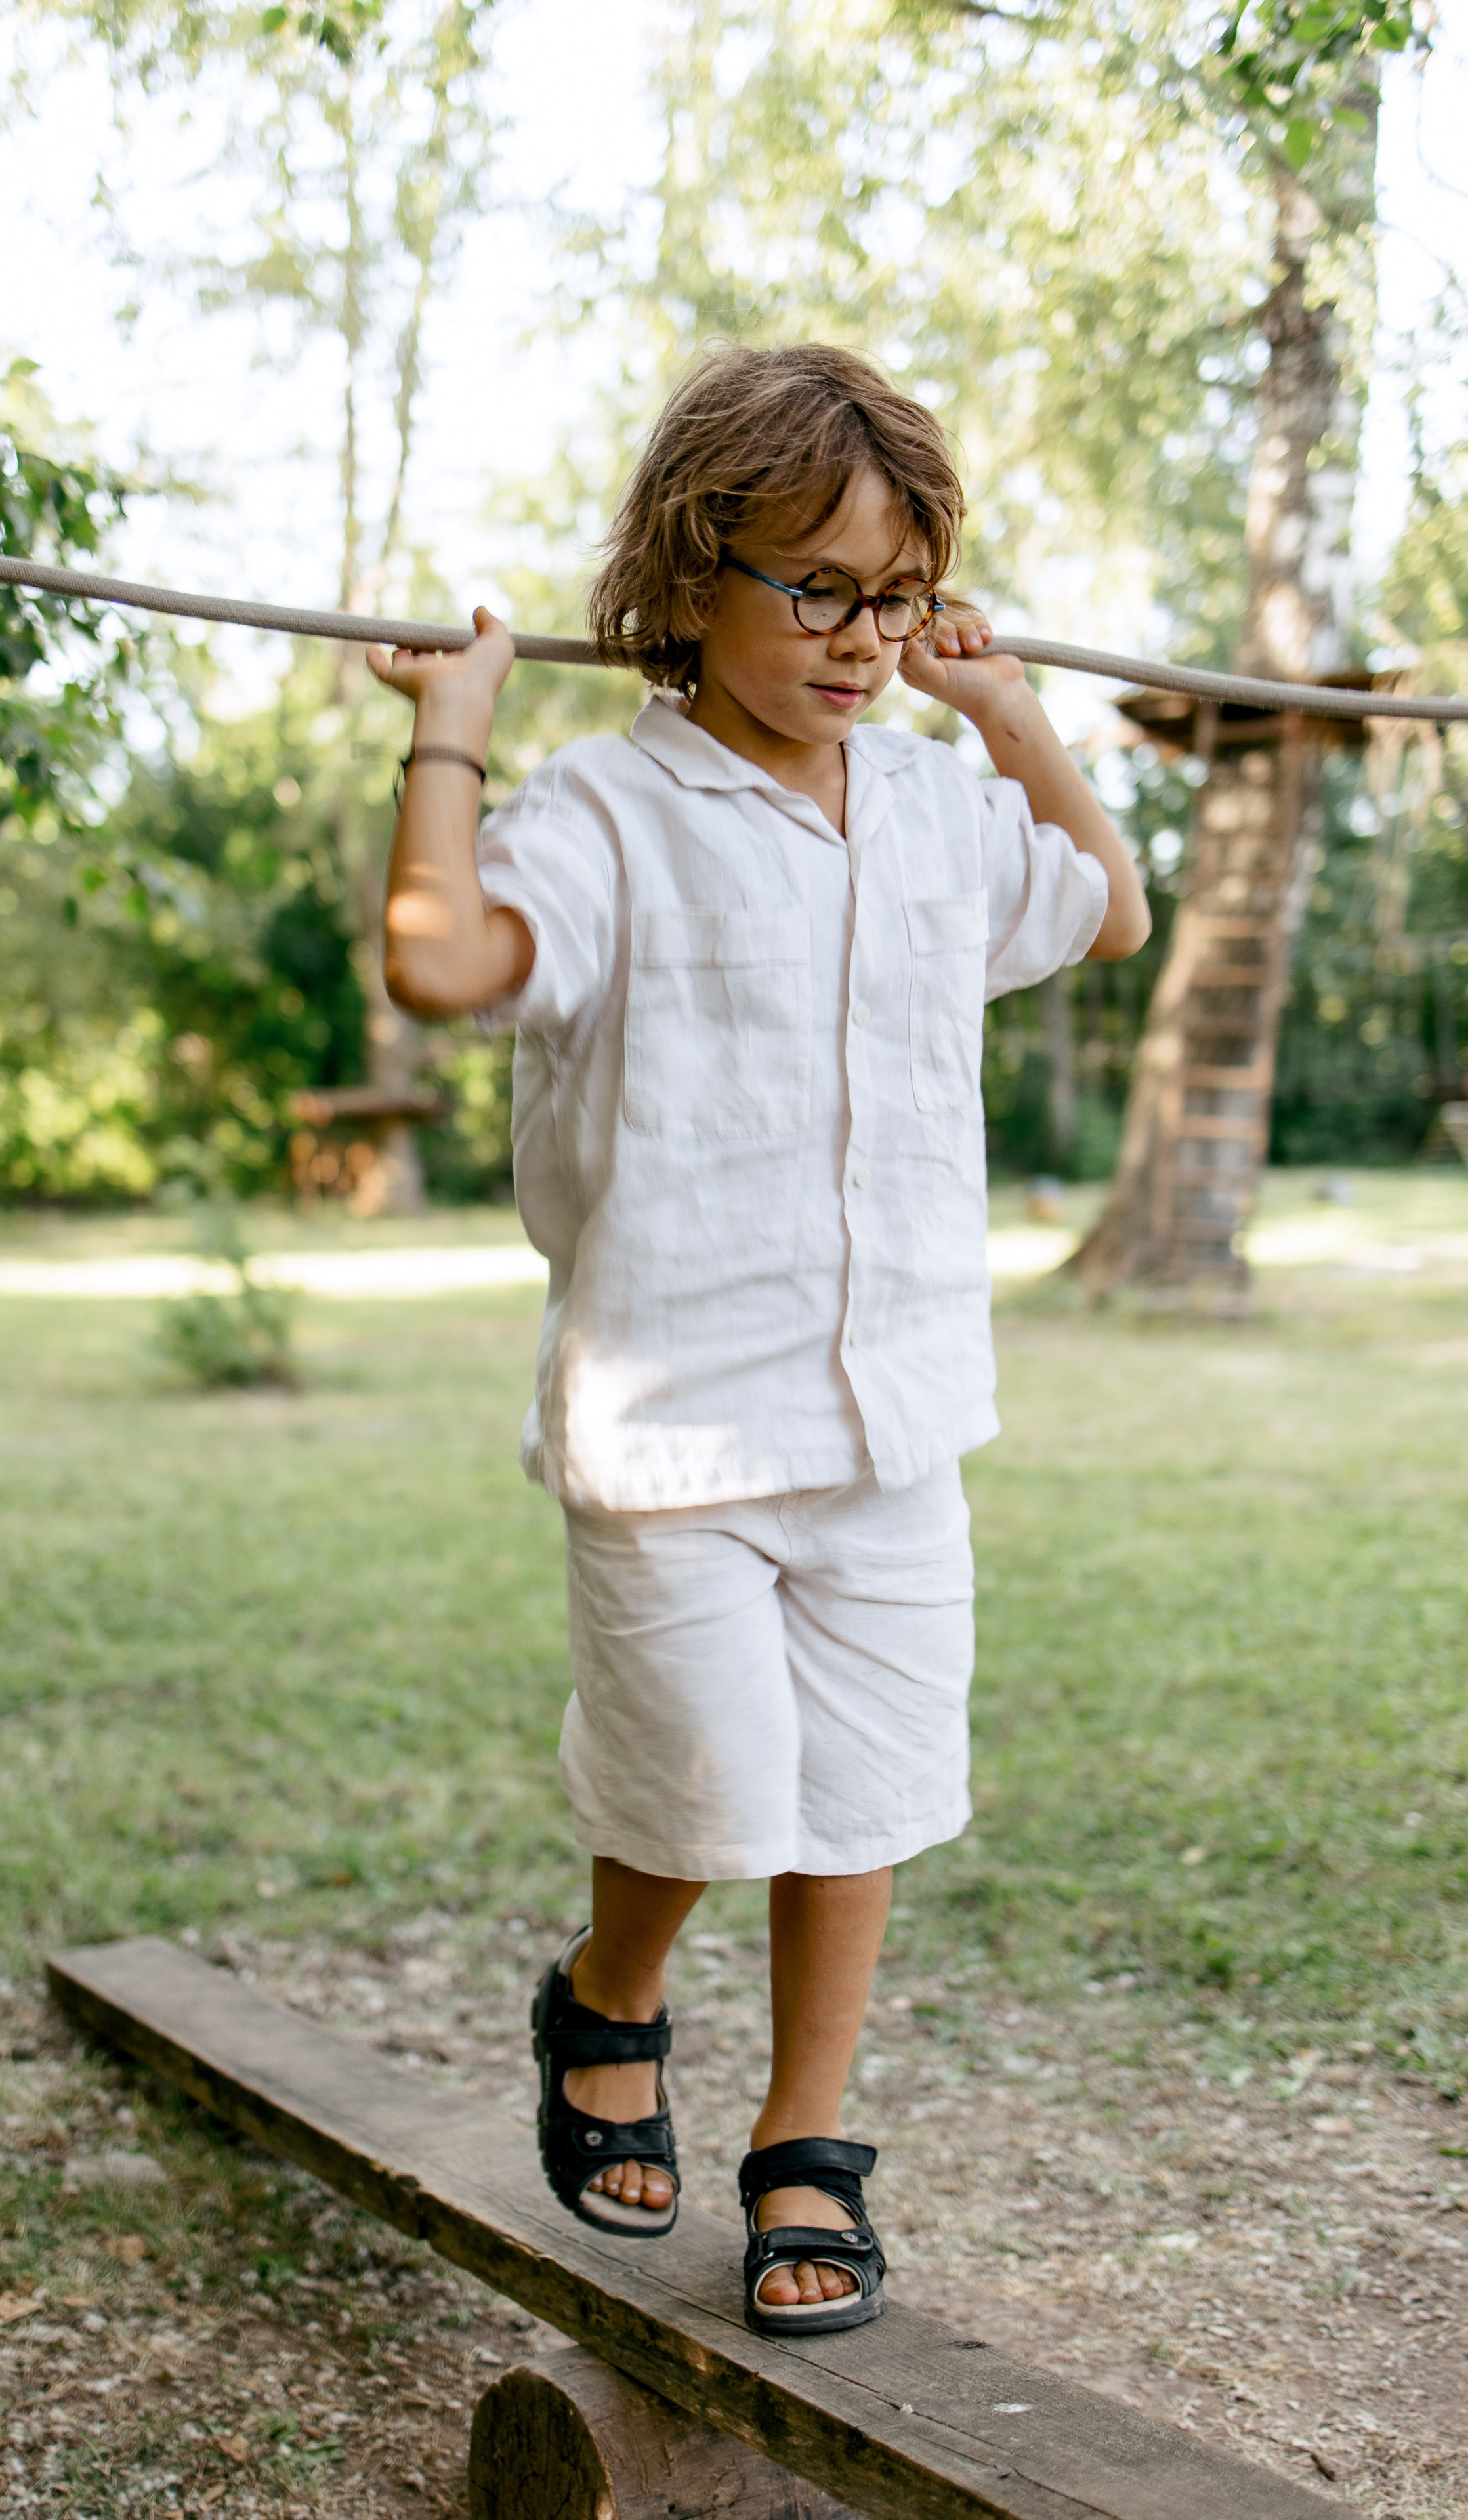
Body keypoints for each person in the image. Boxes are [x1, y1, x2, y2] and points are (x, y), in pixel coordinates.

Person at [369, 342, 1150, 2338]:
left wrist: (1007, 707)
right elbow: (442, 957)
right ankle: (609, 1994)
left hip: (894, 1418)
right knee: (704, 1788)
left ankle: (808, 2145)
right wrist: (447, 738)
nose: (860, 637)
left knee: (865, 1797)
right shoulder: (614, 810)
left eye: (896, 596)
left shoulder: (926, 795)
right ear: (689, 572)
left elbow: (1106, 909)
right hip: (677, 1423)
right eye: (816, 587)